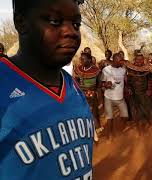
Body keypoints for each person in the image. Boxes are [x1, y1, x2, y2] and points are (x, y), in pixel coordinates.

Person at [0, 0, 94, 179]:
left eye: (76, 24)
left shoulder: (72, 85)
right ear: (21, 23)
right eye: (54, 21)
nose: (71, 32)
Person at [74, 52, 102, 140]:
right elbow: (76, 81)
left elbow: (99, 84)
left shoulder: (96, 70)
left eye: (83, 59)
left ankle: (96, 131)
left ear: (89, 60)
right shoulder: (78, 69)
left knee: (90, 112)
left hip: (91, 95)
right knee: (83, 114)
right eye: (80, 59)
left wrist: (94, 92)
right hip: (80, 94)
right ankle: (91, 132)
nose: (81, 60)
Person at [101, 53, 129, 137]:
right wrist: (105, 85)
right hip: (108, 98)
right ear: (115, 60)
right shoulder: (106, 70)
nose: (122, 62)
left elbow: (126, 81)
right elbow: (101, 83)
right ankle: (109, 136)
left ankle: (119, 131)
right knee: (110, 119)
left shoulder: (123, 70)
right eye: (120, 60)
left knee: (125, 117)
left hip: (120, 99)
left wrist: (128, 87)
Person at [126, 52, 152, 127]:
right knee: (135, 109)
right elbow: (128, 81)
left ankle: (149, 123)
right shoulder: (130, 69)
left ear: (143, 60)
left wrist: (149, 89)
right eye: (137, 60)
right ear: (135, 60)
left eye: (141, 60)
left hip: (144, 92)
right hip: (133, 93)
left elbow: (150, 80)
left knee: (146, 108)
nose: (139, 61)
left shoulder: (147, 69)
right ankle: (138, 125)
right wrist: (129, 88)